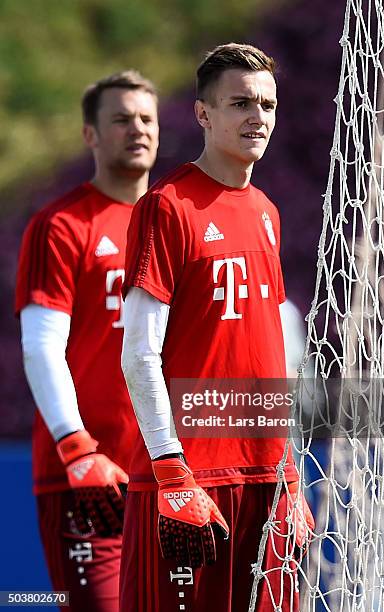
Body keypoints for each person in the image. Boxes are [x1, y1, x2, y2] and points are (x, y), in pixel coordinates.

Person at [121, 44, 314, 611]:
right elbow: (138, 351)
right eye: (240, 103)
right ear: (204, 114)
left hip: (265, 480)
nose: (258, 117)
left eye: (268, 105)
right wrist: (169, 468)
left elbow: (273, 356)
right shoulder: (167, 206)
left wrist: (289, 471)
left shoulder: (267, 212)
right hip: (191, 480)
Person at [15, 70, 159, 612]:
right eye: (120, 119)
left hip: (170, 482)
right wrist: (77, 450)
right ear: (91, 135)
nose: (136, 129)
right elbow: (40, 347)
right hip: (88, 482)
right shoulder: (61, 225)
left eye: (146, 118)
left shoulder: (178, 223)